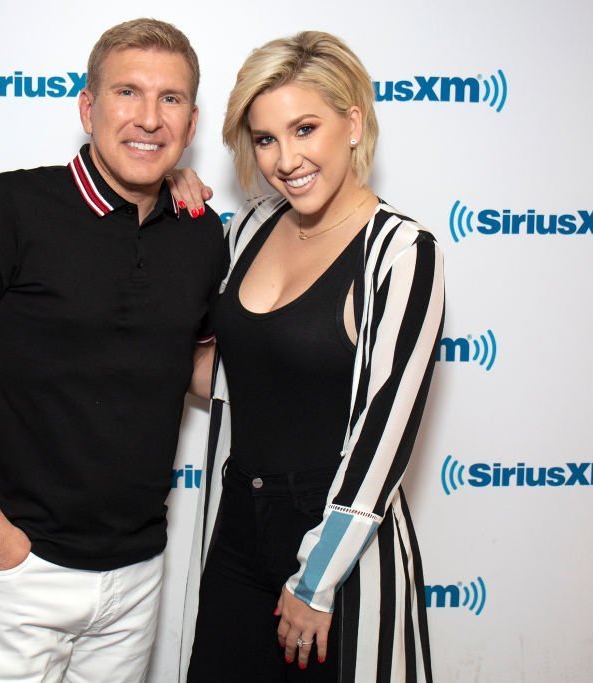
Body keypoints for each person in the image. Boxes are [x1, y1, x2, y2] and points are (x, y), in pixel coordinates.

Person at [0, 18, 226, 683]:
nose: (149, 118)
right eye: (128, 92)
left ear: (191, 124)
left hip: (137, 571)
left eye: (171, 99)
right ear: (88, 106)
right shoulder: (8, 208)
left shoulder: (201, 231)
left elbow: (195, 370)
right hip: (21, 568)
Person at [182, 32, 444, 682]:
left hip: (337, 546)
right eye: (266, 138)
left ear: (353, 122)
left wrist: (316, 579)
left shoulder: (402, 252)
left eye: (305, 128)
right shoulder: (249, 228)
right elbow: (221, 379)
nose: (285, 158)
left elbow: (385, 434)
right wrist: (171, 201)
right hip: (239, 522)